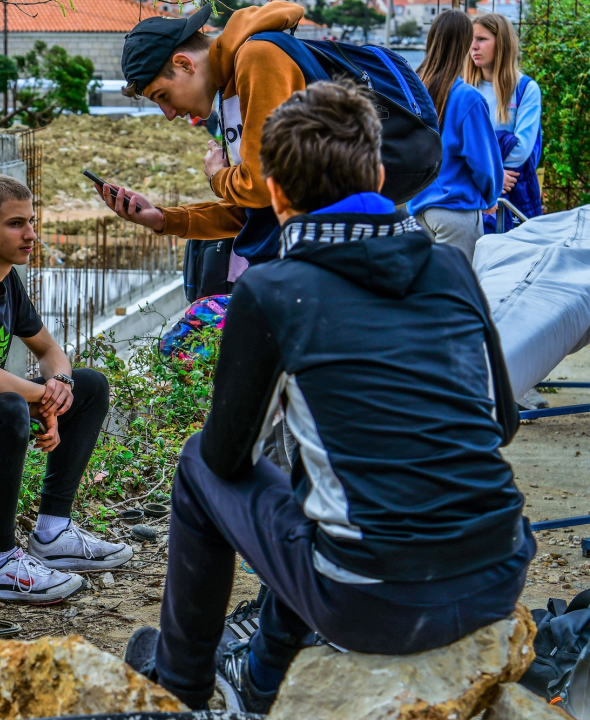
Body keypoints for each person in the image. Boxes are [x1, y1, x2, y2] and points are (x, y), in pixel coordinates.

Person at [122, 81, 532, 713]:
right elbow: (500, 424)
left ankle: (183, 689)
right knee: (326, 485)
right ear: (379, 173)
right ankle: (264, 677)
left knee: (199, 461)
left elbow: (227, 459)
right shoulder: (451, 268)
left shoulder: (273, 290)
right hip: (496, 577)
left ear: (276, 194)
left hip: (369, 603)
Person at [0, 174, 130, 603]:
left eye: (31, 221)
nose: (31, 234)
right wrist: (42, 399)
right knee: (11, 405)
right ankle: (0, 564)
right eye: (16, 224)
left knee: (89, 385)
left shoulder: (7, 279)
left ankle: (53, 532)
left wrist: (60, 385)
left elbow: (49, 350)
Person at [98, 1, 308, 270]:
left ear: (184, 64)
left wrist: (217, 177)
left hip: (319, 265)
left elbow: (262, 187)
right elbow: (256, 212)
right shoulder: (230, 87)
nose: (169, 114)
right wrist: (162, 218)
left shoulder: (258, 57)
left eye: (163, 96)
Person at [407, 9, 504, 261]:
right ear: (464, 44)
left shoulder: (411, 92)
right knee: (461, 284)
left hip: (416, 212)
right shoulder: (468, 97)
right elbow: (483, 161)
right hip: (455, 212)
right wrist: (491, 196)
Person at [467, 12, 543, 233]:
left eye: (481, 39)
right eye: (470, 39)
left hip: (515, 191)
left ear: (502, 43)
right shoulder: (464, 89)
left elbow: (521, 149)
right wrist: (491, 177)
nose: (473, 46)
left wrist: (481, 163)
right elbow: (453, 144)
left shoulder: (526, 89)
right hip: (474, 192)